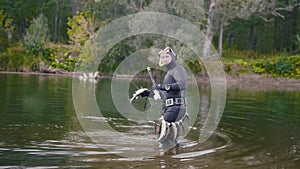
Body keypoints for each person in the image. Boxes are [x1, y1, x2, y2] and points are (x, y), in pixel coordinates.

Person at [131, 47, 188, 142]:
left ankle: (163, 154)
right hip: (172, 108)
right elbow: (165, 95)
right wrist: (148, 94)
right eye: (162, 57)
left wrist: (163, 87)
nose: (164, 59)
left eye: (167, 56)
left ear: (173, 58)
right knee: (169, 139)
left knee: (162, 139)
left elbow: (182, 84)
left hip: (176, 108)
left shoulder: (178, 69)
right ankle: (173, 155)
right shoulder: (169, 73)